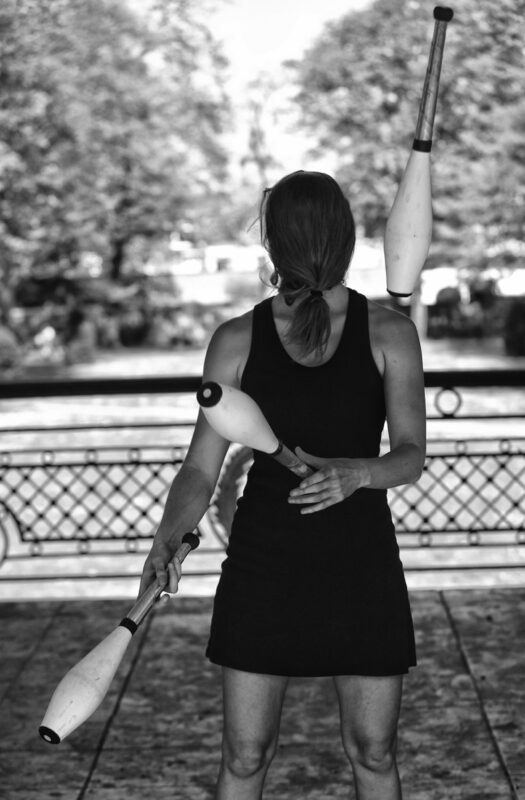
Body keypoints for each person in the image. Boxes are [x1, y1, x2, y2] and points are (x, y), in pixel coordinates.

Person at [139, 170, 426, 800]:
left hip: (361, 563)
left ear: (275, 242)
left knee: (373, 751)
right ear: (344, 237)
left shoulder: (389, 334)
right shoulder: (237, 339)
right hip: (263, 567)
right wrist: (167, 538)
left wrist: (359, 473)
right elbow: (200, 468)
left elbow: (410, 457)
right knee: (245, 756)